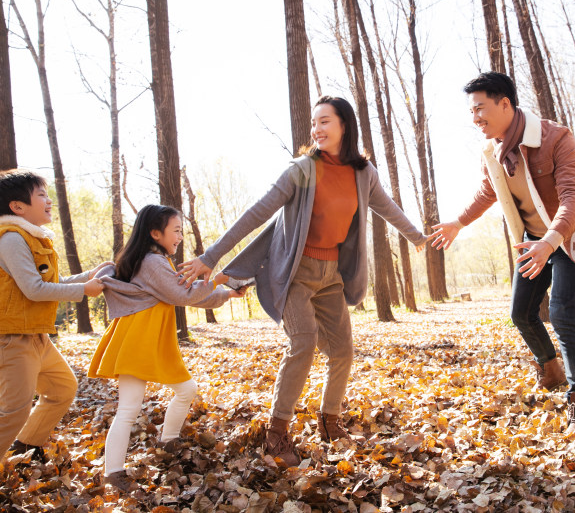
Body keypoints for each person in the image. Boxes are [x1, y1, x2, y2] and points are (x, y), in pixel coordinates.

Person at [177, 96, 427, 465]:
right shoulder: (301, 170)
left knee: (342, 350)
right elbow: (257, 212)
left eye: (325, 121)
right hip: (294, 273)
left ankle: (330, 419)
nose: (317, 129)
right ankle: (276, 431)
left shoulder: (363, 174)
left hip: (331, 277)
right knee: (304, 345)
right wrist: (210, 256)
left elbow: (388, 208)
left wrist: (420, 238)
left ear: (345, 125)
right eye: (314, 123)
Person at [429, 72, 575, 434]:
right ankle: (550, 370)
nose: (475, 119)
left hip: (572, 237)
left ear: (505, 104)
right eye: (472, 112)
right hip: (531, 241)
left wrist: (549, 243)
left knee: (563, 314)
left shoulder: (556, 138)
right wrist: (459, 222)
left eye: (480, 109)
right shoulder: (494, 150)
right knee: (521, 313)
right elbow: (488, 191)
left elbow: (574, 197)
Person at [89, 204, 246, 492]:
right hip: (138, 339)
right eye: (176, 231)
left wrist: (226, 293)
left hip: (153, 339)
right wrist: (221, 279)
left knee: (185, 389)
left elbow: (185, 294)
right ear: (155, 233)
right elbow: (182, 294)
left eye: (181, 231)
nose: (180, 237)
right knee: (129, 407)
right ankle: (113, 473)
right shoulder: (152, 262)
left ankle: (167, 441)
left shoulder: (156, 260)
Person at [0, 169, 108, 471]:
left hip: (35, 335)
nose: (49, 201)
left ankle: (27, 445)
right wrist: (85, 289)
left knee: (61, 389)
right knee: (13, 411)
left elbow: (49, 281)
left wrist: (89, 277)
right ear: (18, 207)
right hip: (10, 337)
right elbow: (34, 290)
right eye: (41, 194)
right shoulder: (11, 240)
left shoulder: (32, 239)